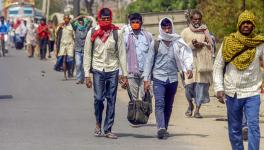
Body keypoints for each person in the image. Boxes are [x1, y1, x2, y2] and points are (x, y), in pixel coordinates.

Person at [213, 10, 264, 150]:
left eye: (249, 23)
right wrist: (218, 88)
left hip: (252, 91)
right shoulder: (228, 42)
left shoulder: (259, 43)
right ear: (239, 25)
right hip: (232, 92)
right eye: (244, 23)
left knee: (253, 127)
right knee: (234, 129)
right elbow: (218, 66)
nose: (246, 25)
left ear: (253, 25)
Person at [143, 18, 193, 139]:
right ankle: (160, 128)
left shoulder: (177, 41)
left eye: (169, 27)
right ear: (161, 28)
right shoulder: (156, 43)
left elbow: (186, 55)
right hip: (158, 78)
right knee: (160, 103)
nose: (167, 30)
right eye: (164, 28)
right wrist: (146, 79)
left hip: (172, 79)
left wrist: (189, 68)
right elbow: (149, 62)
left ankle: (165, 127)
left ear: (172, 28)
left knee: (169, 105)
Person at [83, 8, 128, 139]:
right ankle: (98, 122)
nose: (106, 20)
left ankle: (108, 129)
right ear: (99, 18)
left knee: (111, 100)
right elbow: (87, 54)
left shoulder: (117, 33)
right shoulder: (92, 32)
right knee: (98, 99)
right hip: (97, 69)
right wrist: (87, 74)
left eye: (108, 18)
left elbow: (122, 54)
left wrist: (124, 74)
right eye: (103, 18)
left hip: (113, 70)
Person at [181, 10, 213, 118]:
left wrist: (203, 44)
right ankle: (190, 105)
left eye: (199, 19)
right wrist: (193, 45)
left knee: (201, 87)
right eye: (195, 19)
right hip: (189, 64)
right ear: (191, 19)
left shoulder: (205, 31)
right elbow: (180, 48)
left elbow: (211, 46)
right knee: (188, 87)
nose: (197, 21)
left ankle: (197, 110)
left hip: (202, 64)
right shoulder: (185, 32)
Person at [124, 13, 153, 111]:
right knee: (133, 98)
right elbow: (122, 56)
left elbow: (152, 54)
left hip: (145, 73)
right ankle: (136, 117)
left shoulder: (148, 36)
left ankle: (144, 115)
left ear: (141, 23)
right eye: (133, 22)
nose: (135, 24)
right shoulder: (126, 37)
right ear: (130, 23)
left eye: (137, 22)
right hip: (131, 72)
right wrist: (122, 74)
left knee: (146, 95)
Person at [71, 15, 92, 84]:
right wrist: (78, 17)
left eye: (81, 21)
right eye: (79, 21)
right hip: (77, 49)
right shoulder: (76, 28)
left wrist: (84, 16)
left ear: (83, 22)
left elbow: (90, 21)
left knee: (84, 65)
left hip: (85, 49)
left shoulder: (86, 27)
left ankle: (82, 79)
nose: (80, 22)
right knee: (78, 64)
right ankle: (78, 78)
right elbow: (71, 22)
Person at [54, 14, 75, 80]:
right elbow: (56, 34)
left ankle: (69, 71)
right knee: (62, 59)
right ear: (64, 19)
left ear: (69, 20)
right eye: (65, 18)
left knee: (70, 60)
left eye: (67, 19)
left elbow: (74, 36)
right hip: (62, 45)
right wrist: (60, 27)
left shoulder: (71, 27)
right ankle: (64, 75)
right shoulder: (61, 26)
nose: (66, 20)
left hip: (70, 45)